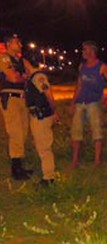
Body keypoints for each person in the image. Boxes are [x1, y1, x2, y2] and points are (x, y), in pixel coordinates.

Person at [70, 40, 107, 168]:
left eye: (85, 49)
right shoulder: (82, 67)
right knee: (76, 132)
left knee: (97, 132)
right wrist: (73, 102)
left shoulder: (102, 67)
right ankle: (75, 161)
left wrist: (106, 98)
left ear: (92, 50)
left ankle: (97, 161)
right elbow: (79, 85)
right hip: (80, 103)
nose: (83, 52)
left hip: (93, 103)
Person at [0, 33, 35, 180]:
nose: (20, 45)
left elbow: (34, 75)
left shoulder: (22, 60)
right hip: (11, 98)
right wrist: (24, 76)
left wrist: (24, 76)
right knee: (16, 132)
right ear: (8, 44)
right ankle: (16, 169)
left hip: (22, 98)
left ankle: (19, 165)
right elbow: (12, 77)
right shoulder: (3, 58)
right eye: (17, 42)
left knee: (24, 131)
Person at [24, 57, 57, 186]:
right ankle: (49, 175)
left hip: (41, 116)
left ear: (27, 63)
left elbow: (48, 94)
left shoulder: (38, 76)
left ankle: (49, 177)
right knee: (42, 146)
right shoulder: (32, 78)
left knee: (44, 147)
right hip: (39, 115)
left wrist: (53, 110)